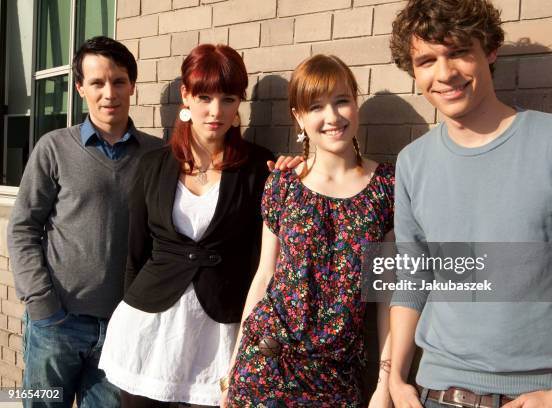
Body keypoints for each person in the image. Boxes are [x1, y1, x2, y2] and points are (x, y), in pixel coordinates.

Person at [386, 1, 552, 408]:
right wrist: (395, 381)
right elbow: (412, 280)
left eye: (458, 52)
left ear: (489, 50)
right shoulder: (412, 163)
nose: (445, 73)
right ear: (413, 70)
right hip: (434, 394)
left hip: (540, 396)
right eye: (427, 60)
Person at [98, 43, 301, 408]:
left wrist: (300, 176)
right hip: (149, 329)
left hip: (220, 331)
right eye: (204, 96)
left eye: (227, 98)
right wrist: (131, 309)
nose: (215, 111)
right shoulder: (152, 165)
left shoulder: (259, 167)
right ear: (185, 96)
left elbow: (264, 258)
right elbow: (136, 253)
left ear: (239, 103)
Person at [223, 54, 395, 407]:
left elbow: (388, 295)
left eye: (342, 101)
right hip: (265, 365)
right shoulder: (283, 184)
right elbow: (264, 276)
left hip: (337, 377)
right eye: (316, 106)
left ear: (356, 104)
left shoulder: (386, 188)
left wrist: (385, 384)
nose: (332, 117)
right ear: (299, 117)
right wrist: (233, 363)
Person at [7, 36, 164, 407]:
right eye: (97, 82)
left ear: (132, 86)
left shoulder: (157, 155)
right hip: (57, 325)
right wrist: (42, 305)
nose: (109, 93)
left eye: (119, 81)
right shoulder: (54, 148)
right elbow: (23, 228)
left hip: (121, 328)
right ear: (80, 88)